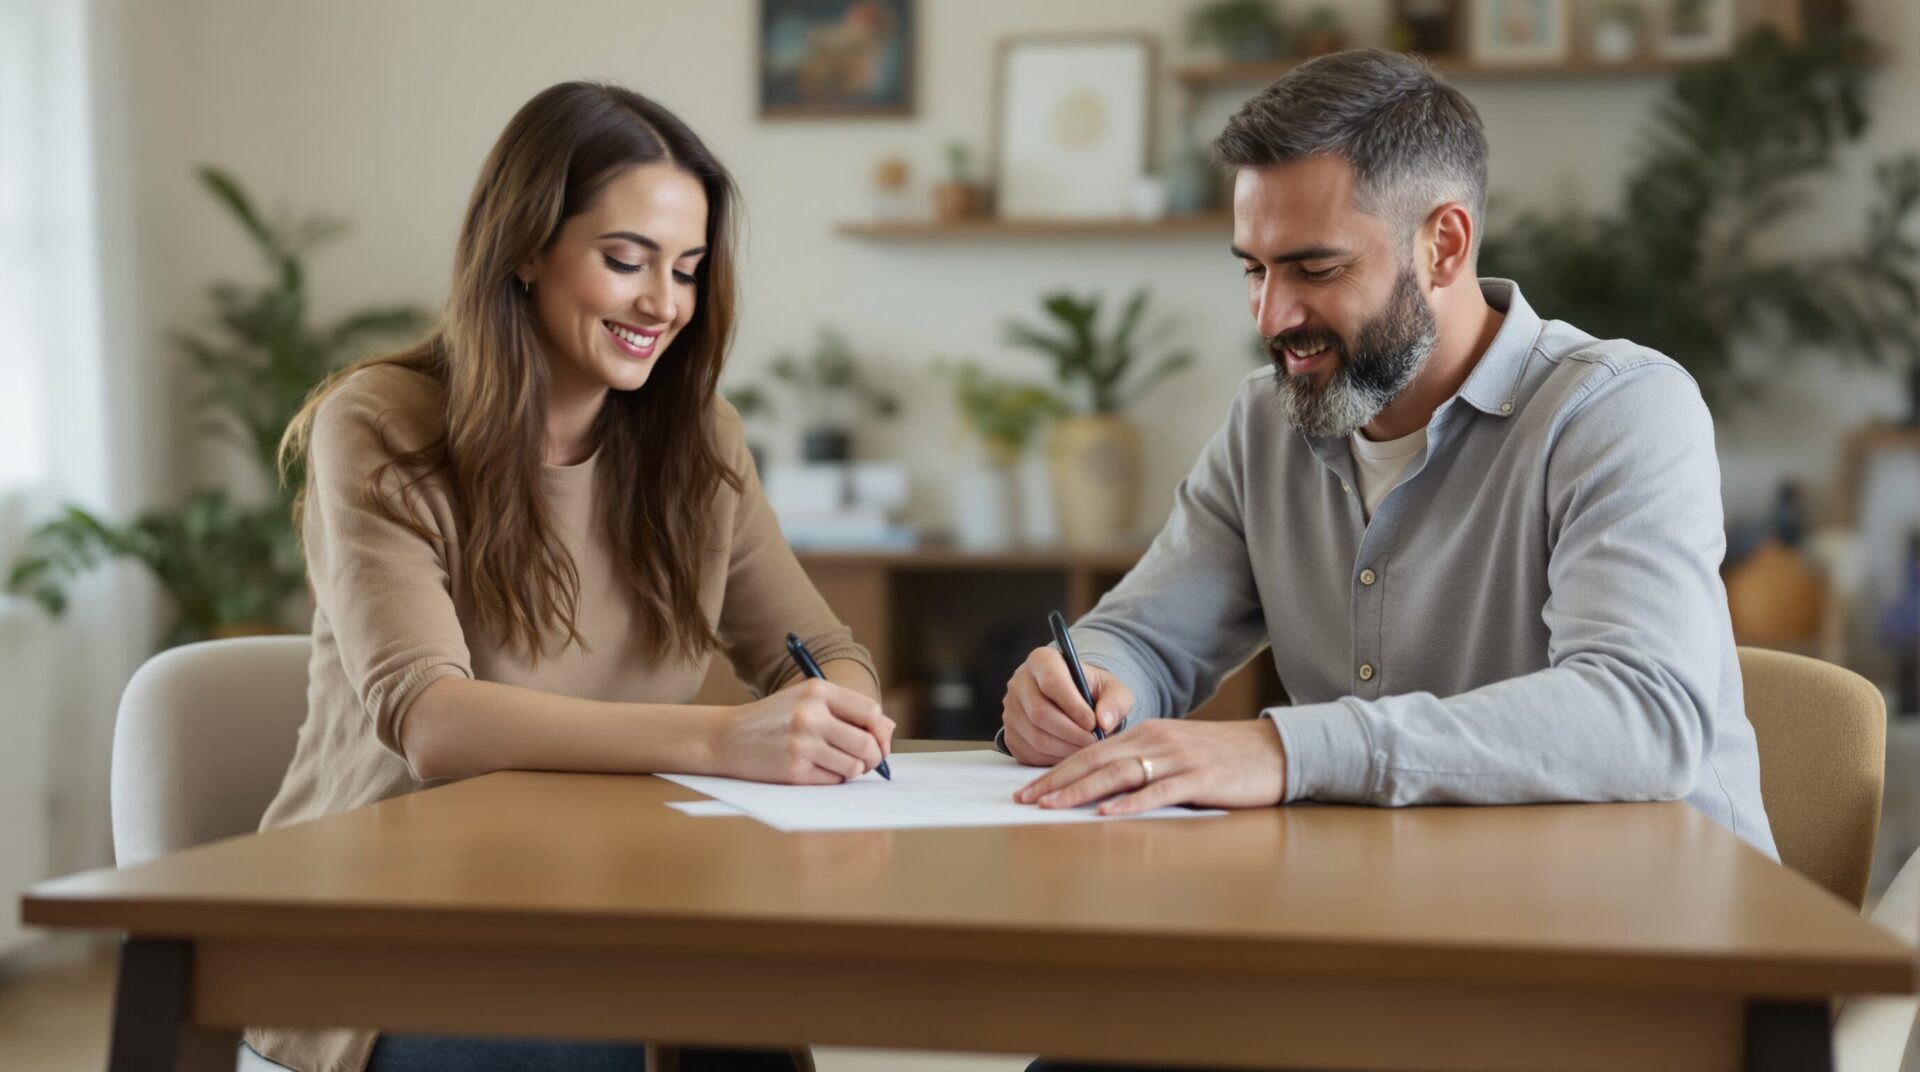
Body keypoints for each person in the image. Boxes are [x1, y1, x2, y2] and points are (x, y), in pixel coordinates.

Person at [246, 81, 889, 1072]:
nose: (663, 303)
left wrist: (836, 715)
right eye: (625, 261)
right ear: (524, 248)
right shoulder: (382, 423)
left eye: (686, 268)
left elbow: (824, 650)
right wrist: (729, 736)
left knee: (752, 1038)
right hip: (386, 927)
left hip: (623, 904)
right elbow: (435, 718)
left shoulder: (698, 442)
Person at [1001, 48, 1776, 861]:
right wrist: (1081, 685)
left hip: (1658, 932)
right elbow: (1149, 639)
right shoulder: (1265, 425)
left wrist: (1283, 749)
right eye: (1254, 269)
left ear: (1444, 244)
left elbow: (1642, 715)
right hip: (1408, 914)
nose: (1270, 316)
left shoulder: (1619, 409)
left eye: (1316, 268)